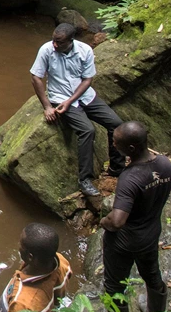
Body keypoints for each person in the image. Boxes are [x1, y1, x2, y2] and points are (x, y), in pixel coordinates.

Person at [30, 23, 125, 197]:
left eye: (59, 42)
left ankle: (117, 168)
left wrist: (71, 100)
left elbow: (87, 79)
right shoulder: (46, 50)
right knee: (87, 131)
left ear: (71, 41)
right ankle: (85, 180)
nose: (55, 45)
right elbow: (36, 77)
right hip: (59, 97)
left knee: (117, 124)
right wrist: (47, 107)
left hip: (84, 96)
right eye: (54, 40)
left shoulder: (85, 51)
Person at [100, 121, 171, 312]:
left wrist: (104, 222)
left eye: (116, 143)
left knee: (114, 287)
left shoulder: (130, 177)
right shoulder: (166, 165)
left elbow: (117, 221)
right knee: (152, 275)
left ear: (131, 148)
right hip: (150, 234)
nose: (113, 145)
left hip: (125, 242)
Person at [0, 223, 71, 312]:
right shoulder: (62, 262)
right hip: (49, 310)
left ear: (30, 257)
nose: (18, 247)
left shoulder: (22, 302)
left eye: (21, 244)